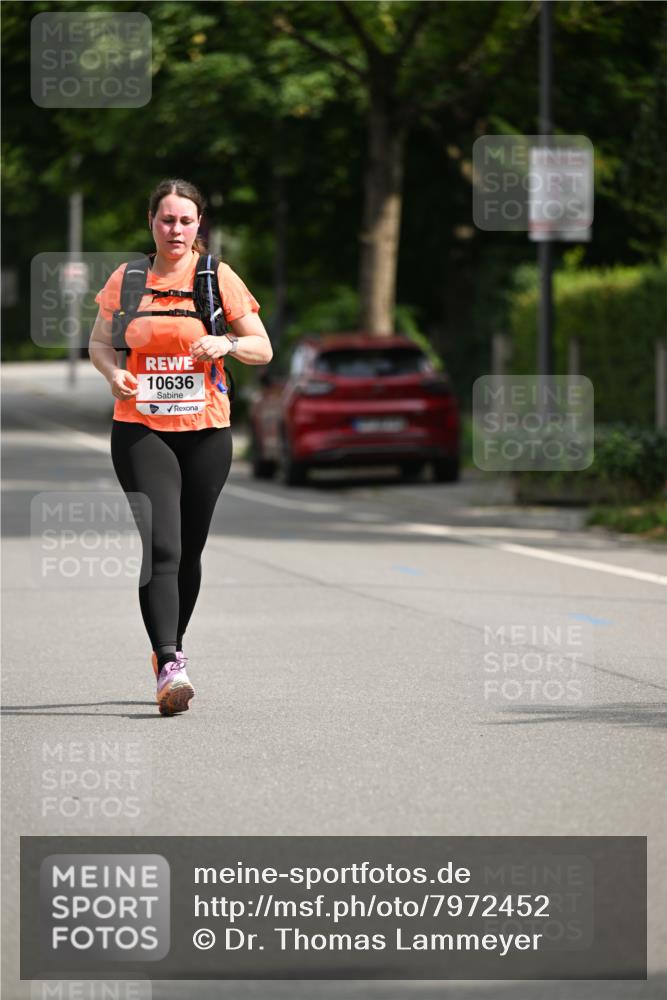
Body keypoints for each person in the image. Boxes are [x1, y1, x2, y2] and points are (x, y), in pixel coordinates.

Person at [89, 178, 273, 716]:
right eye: (167, 219)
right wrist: (111, 374)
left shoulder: (217, 277)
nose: (176, 229)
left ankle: (172, 649)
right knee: (163, 545)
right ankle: (170, 663)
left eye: (186, 220)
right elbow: (101, 342)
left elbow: (262, 347)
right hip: (141, 428)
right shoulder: (128, 279)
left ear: (199, 226)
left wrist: (229, 342)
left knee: (189, 550)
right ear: (152, 221)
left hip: (207, 432)